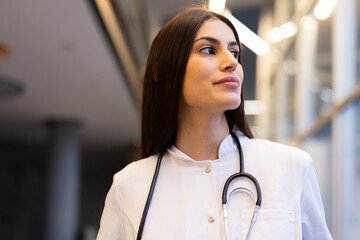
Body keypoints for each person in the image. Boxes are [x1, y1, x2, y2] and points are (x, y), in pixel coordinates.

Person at [97, 6, 332, 240]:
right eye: (209, 50)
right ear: (165, 75)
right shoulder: (128, 186)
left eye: (234, 52)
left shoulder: (290, 167)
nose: (232, 63)